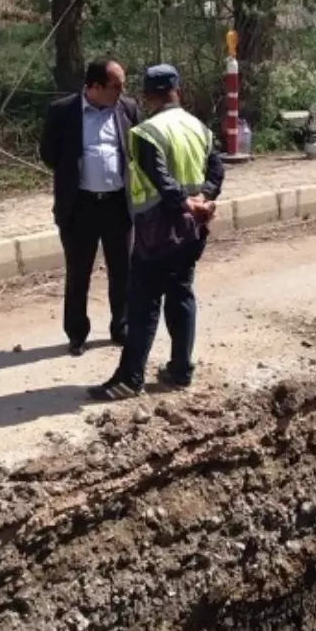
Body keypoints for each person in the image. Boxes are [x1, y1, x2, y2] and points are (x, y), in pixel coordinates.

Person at [88, 63, 224, 401]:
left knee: (143, 303)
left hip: (157, 228)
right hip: (193, 226)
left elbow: (160, 178)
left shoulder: (145, 133)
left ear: (148, 96)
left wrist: (183, 202)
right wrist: (203, 199)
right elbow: (216, 171)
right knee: (181, 293)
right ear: (178, 91)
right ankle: (180, 370)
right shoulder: (199, 128)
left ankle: (130, 378)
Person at [39, 57, 141, 356]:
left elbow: (136, 150)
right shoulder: (62, 112)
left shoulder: (127, 109)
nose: (121, 92)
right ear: (94, 87)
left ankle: (121, 327)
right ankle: (76, 333)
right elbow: (48, 154)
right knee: (78, 273)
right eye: (115, 86)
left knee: (122, 270)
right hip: (79, 205)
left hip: (117, 205)